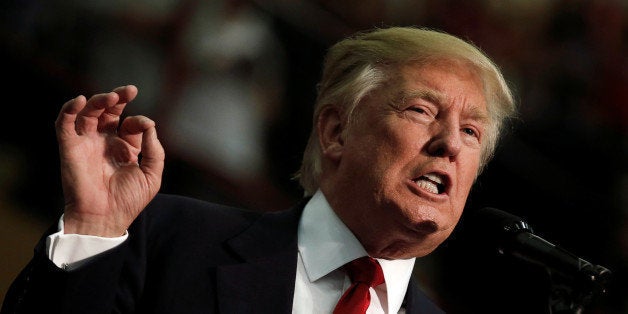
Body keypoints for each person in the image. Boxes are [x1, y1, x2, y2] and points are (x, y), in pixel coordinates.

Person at [1, 26, 516, 313]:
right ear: (336, 131)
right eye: (421, 111)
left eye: (471, 132)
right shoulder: (166, 240)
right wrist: (92, 229)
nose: (450, 142)